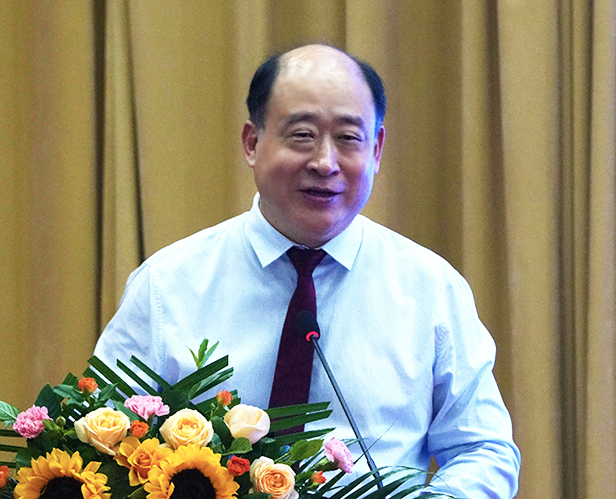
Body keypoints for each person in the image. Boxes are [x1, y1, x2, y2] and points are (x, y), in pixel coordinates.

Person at [94, 44, 520, 498]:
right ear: (252, 143)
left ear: (376, 150)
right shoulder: (167, 285)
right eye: (302, 135)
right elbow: (98, 439)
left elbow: (483, 449)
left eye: (348, 138)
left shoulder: (430, 288)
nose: (325, 163)